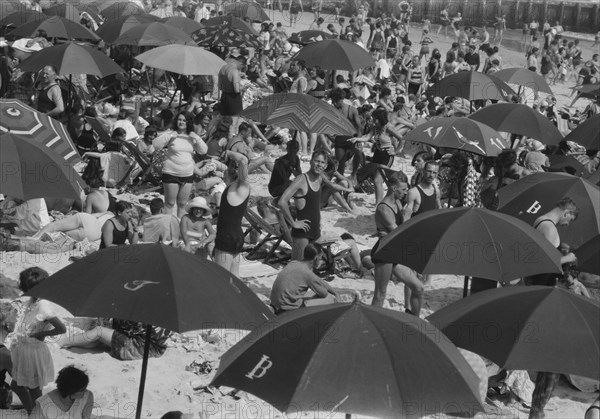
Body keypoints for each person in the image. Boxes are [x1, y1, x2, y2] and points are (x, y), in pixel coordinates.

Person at [8, 267, 66, 414]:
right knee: (18, 385)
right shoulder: (33, 301)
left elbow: (61, 328)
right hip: (24, 349)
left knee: (33, 389)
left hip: (33, 352)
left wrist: (43, 333)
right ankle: (32, 412)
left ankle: (36, 413)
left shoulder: (43, 305)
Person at [370, 171, 423, 315]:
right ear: (394, 188)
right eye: (404, 189)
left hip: (394, 251)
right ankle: (368, 326)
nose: (406, 192)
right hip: (384, 252)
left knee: (418, 287)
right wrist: (406, 217)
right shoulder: (383, 208)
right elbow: (399, 233)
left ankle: (415, 320)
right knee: (380, 294)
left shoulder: (398, 203)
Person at [153, 112, 208, 217]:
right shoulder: (171, 134)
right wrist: (170, 135)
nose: (181, 122)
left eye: (184, 120)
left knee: (182, 204)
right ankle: (168, 228)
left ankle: (179, 229)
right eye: (179, 120)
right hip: (171, 173)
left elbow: (203, 151)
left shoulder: (191, 136)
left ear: (188, 122)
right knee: (169, 204)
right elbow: (156, 144)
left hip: (187, 174)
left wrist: (196, 137)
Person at [278, 150, 327, 261]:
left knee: (311, 266)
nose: (319, 164)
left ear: (325, 165)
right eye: (316, 161)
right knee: (297, 264)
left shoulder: (319, 178)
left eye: (322, 162)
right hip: (302, 233)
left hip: (316, 230)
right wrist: (293, 222)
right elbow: (282, 202)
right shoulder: (301, 179)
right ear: (311, 162)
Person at [269, 243, 339, 314]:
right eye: (321, 258)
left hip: (275, 302)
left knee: (310, 292)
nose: (321, 260)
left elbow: (318, 280)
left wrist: (335, 292)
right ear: (316, 258)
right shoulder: (308, 274)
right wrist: (333, 294)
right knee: (328, 298)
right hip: (288, 308)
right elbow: (324, 294)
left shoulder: (294, 263)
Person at [213, 149, 250, 276]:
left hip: (226, 237)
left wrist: (229, 152)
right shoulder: (239, 189)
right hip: (237, 236)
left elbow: (244, 160)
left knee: (221, 280)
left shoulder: (237, 189)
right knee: (235, 278)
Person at [61, 319, 170, 361]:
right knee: (102, 336)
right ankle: (78, 343)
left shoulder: (140, 309)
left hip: (137, 348)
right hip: (157, 348)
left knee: (99, 331)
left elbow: (126, 328)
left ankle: (61, 342)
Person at [218, 53, 245, 138]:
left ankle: (221, 139)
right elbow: (237, 90)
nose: (241, 69)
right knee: (233, 123)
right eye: (242, 67)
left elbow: (220, 87)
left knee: (224, 121)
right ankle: (230, 142)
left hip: (224, 96)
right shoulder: (234, 71)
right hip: (233, 98)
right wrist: (244, 87)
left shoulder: (223, 68)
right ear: (241, 63)